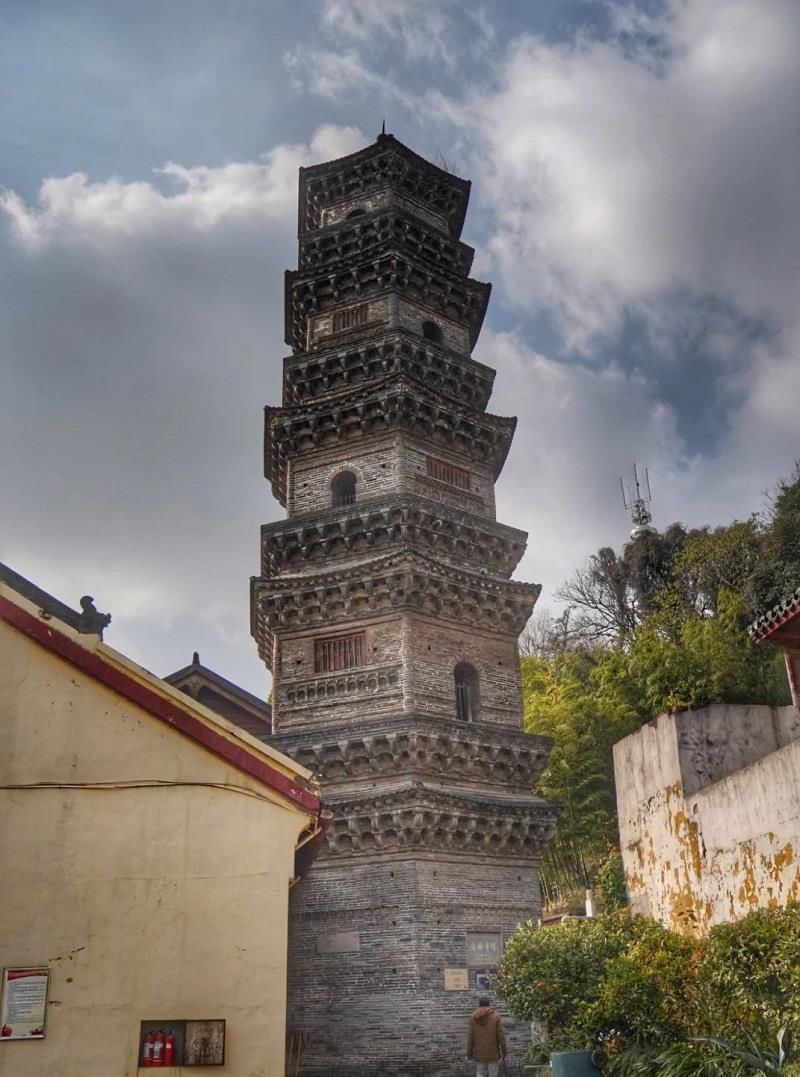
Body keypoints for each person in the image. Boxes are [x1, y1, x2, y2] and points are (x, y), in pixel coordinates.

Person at [466, 996, 507, 1077]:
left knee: (480, 1073)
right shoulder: (496, 1016)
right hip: (493, 1053)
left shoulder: (472, 1017)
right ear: (489, 1004)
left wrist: (469, 1053)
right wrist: (504, 1051)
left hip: (479, 1053)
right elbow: (501, 1036)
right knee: (493, 1074)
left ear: (479, 1004)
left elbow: (470, 1037)